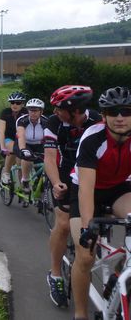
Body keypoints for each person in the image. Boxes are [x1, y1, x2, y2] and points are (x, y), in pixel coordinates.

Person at [70, 86, 131, 320]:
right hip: (87, 190)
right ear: (104, 116)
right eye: (112, 112)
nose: (119, 118)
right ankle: (81, 313)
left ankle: (119, 278)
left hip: (118, 188)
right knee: (85, 254)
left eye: (126, 112)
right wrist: (87, 228)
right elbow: (86, 188)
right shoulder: (93, 138)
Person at [43, 85, 100, 308]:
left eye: (59, 108)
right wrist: (56, 182)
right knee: (64, 223)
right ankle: (55, 274)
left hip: (91, 174)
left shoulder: (96, 120)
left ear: (74, 109)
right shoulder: (54, 123)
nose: (55, 112)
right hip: (64, 173)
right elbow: (49, 157)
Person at [14, 98, 48, 197]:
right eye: (30, 110)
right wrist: (23, 149)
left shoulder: (46, 121)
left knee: (46, 163)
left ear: (41, 111)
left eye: (35, 110)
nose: (32, 113)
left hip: (39, 145)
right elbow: (21, 135)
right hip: (24, 143)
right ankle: (25, 180)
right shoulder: (22, 120)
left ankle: (40, 192)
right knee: (27, 156)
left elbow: (49, 137)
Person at [0, 92, 28, 185]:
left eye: (18, 103)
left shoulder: (26, 113)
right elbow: (1, 131)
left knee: (21, 163)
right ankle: (6, 173)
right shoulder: (5, 112)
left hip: (20, 139)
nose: (14, 105)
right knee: (12, 149)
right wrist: (3, 147)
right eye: (12, 102)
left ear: (23, 104)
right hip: (8, 138)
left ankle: (23, 188)